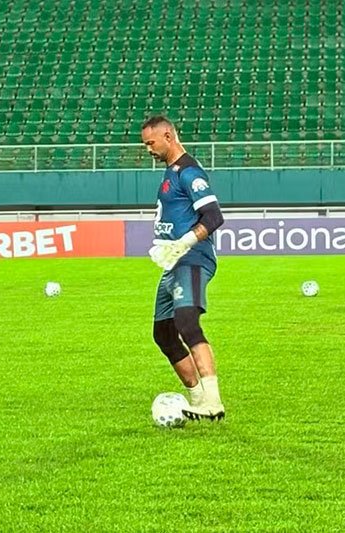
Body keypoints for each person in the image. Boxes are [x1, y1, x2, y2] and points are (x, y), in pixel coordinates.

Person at [141, 116, 226, 421]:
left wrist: (184, 243)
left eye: (151, 143)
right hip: (172, 263)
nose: (148, 149)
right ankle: (197, 398)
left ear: (167, 135)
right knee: (163, 334)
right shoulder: (171, 171)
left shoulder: (190, 172)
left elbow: (214, 217)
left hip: (192, 258)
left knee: (187, 323)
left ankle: (213, 401)